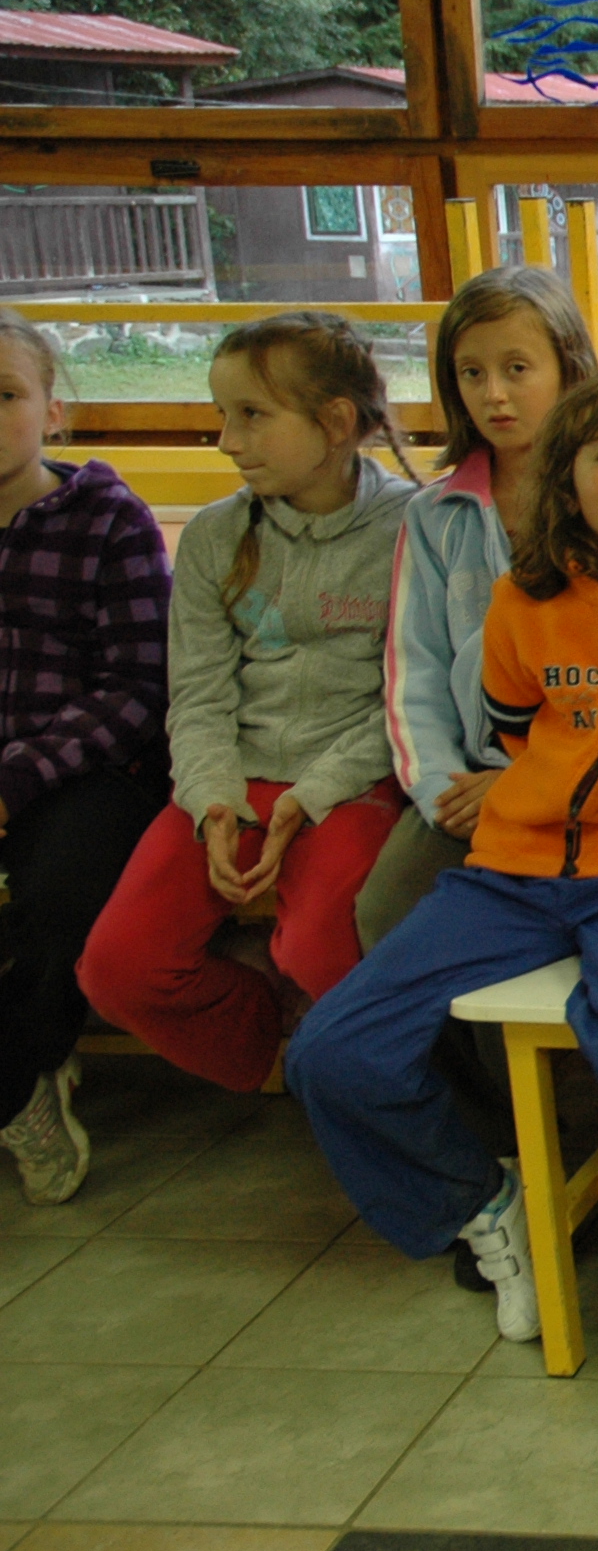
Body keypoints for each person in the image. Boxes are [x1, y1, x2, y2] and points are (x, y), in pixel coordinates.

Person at [286, 369, 598, 1391]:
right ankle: (480, 1202)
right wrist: (532, 805)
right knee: (332, 1050)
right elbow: (514, 730)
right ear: (568, 478)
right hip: (516, 867)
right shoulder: (524, 598)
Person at [79, 313, 418, 1093]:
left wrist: (312, 794)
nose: (228, 441)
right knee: (117, 969)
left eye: (253, 415)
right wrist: (211, 801)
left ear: (336, 423)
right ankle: (290, 1057)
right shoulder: (214, 536)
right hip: (232, 779)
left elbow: (410, 698)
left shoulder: (416, 529)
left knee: (322, 952)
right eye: (221, 415)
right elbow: (196, 693)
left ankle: (363, 1085)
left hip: (352, 783)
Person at [362, 268, 597, 1272]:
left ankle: (587, 1139)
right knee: (386, 913)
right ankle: (500, 1155)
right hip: (460, 792)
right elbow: (412, 671)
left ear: (568, 369)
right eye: (471, 373)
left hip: (588, 786)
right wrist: (437, 792)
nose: (495, 394)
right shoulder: (436, 516)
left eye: (517, 368)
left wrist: (528, 783)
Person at [0, 312, 170, 1205]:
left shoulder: (108, 519)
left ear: (52, 412)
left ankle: (15, 1080)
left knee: (59, 890)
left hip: (89, 769)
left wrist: (16, 778)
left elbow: (137, 688)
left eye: (6, 395)